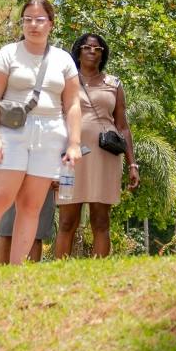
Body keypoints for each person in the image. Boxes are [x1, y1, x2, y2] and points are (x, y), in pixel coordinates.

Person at [0, 0, 84, 267]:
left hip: (50, 133)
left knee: (31, 205)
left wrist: (74, 143)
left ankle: (16, 268)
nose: (33, 25)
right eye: (27, 19)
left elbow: (73, 104)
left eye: (40, 20)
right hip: (11, 131)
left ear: (51, 23)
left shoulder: (63, 59)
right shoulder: (8, 53)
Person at [56, 33, 137, 258]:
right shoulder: (66, 81)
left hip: (104, 156)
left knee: (101, 220)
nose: (93, 51)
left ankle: (100, 269)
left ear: (103, 55)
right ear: (78, 52)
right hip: (70, 157)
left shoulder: (114, 84)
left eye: (98, 48)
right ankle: (58, 269)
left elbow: (123, 126)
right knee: (66, 221)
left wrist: (133, 164)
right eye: (87, 47)